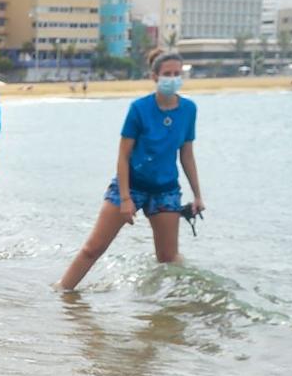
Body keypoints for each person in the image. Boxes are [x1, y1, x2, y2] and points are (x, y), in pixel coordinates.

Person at [58, 48, 203, 290]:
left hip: (165, 190)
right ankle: (62, 291)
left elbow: (186, 155)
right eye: (167, 73)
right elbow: (123, 156)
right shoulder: (139, 108)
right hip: (130, 185)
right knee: (93, 248)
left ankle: (181, 305)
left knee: (168, 258)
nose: (173, 78)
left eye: (177, 73)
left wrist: (197, 195)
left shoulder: (189, 109)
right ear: (154, 76)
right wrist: (125, 199)